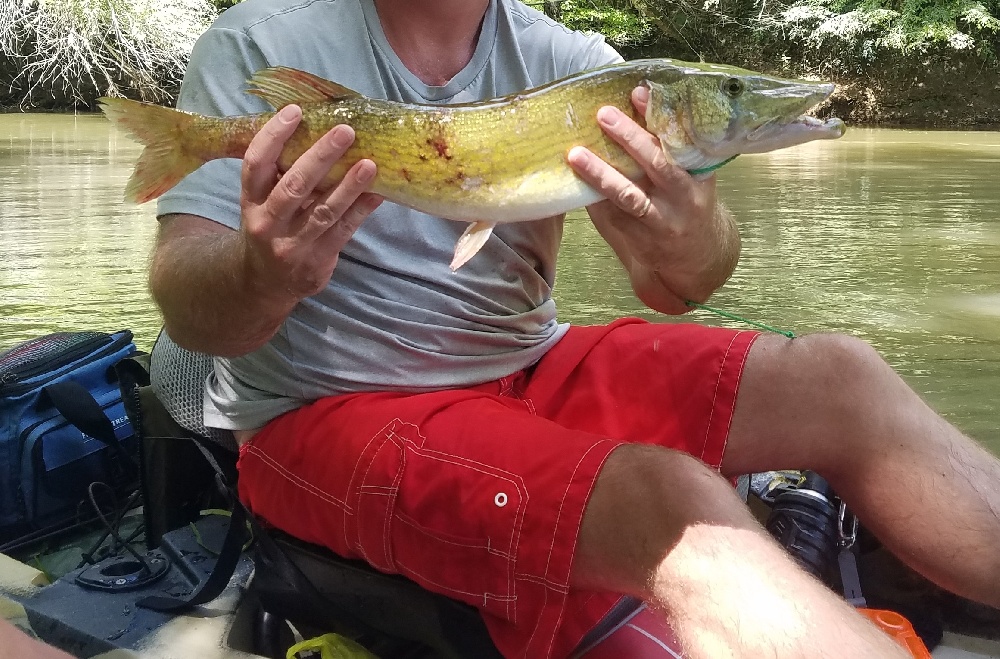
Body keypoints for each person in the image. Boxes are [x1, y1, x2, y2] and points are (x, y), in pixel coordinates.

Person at [149, 0, 1000, 656]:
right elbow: (190, 307)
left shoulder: (580, 66)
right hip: (327, 412)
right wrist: (264, 274)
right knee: (677, 506)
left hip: (529, 364)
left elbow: (685, 283)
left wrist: (688, 234)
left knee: (839, 376)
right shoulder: (260, 39)